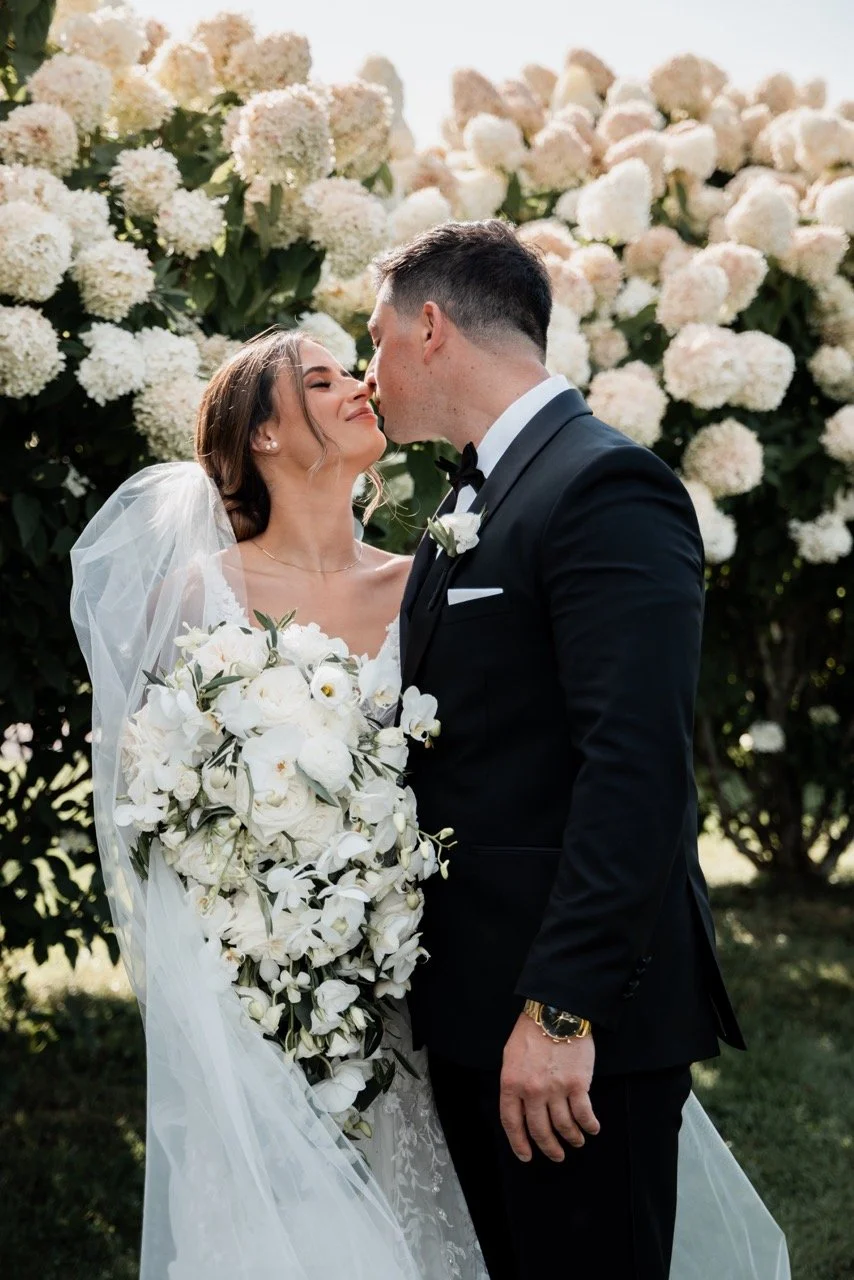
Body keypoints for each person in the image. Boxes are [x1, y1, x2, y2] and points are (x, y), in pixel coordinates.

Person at [72, 320, 788, 1280]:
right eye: (319, 379)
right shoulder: (198, 597)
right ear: (263, 436)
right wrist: (262, 951)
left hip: (439, 983)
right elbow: (156, 809)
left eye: (351, 364)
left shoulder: (430, 582)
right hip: (273, 987)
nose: (357, 384)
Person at [364, 218, 743, 1280]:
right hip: (476, 1012)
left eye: (375, 336)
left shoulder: (601, 486)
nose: (368, 367)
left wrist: (558, 1009)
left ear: (429, 326)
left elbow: (635, 767)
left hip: (572, 1036)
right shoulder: (469, 493)